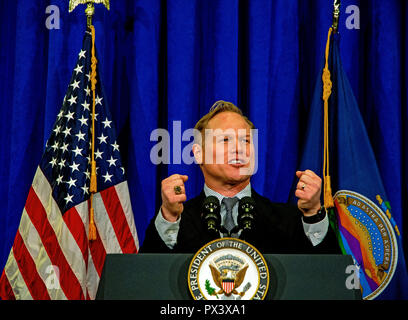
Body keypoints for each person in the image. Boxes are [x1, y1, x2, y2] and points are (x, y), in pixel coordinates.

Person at [141, 101, 340, 254]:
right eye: (225, 140)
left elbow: (328, 279)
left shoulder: (289, 221)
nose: (239, 149)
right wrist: (168, 216)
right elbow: (145, 279)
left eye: (246, 140)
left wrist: (313, 212)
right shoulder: (177, 220)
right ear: (199, 153)